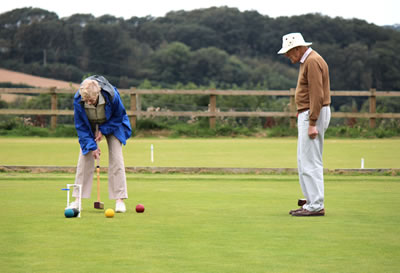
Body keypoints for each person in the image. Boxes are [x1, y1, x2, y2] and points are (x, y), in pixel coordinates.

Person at [277, 33, 331, 216]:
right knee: (304, 160)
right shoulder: (308, 61)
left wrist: (313, 122)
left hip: (312, 114)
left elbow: (318, 94)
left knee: (310, 160)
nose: (287, 57)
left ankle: (316, 205)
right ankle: (311, 201)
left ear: (298, 48)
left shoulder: (313, 62)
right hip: (308, 113)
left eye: (289, 53)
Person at [69, 75, 132, 213]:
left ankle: (119, 200)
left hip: (113, 124)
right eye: (87, 101)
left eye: (91, 100)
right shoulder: (78, 99)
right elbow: (80, 126)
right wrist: (92, 146)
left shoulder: (112, 95)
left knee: (116, 157)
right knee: (84, 158)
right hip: (89, 125)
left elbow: (119, 116)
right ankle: (77, 200)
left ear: (98, 93)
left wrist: (103, 130)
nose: (89, 103)